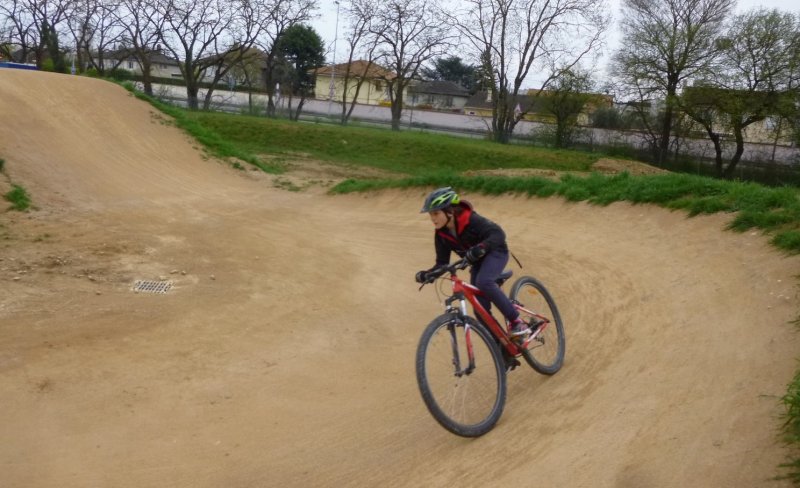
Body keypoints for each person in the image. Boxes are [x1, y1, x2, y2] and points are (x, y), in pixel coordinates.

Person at [414, 186, 529, 341]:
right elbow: (442, 263)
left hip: (496, 252)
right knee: (479, 309)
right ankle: (502, 347)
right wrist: (428, 274)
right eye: (430, 215)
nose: (433, 218)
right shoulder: (441, 234)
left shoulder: (471, 220)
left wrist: (482, 247)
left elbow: (498, 234)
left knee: (484, 281)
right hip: (478, 264)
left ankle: (517, 322)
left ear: (450, 211)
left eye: (436, 213)